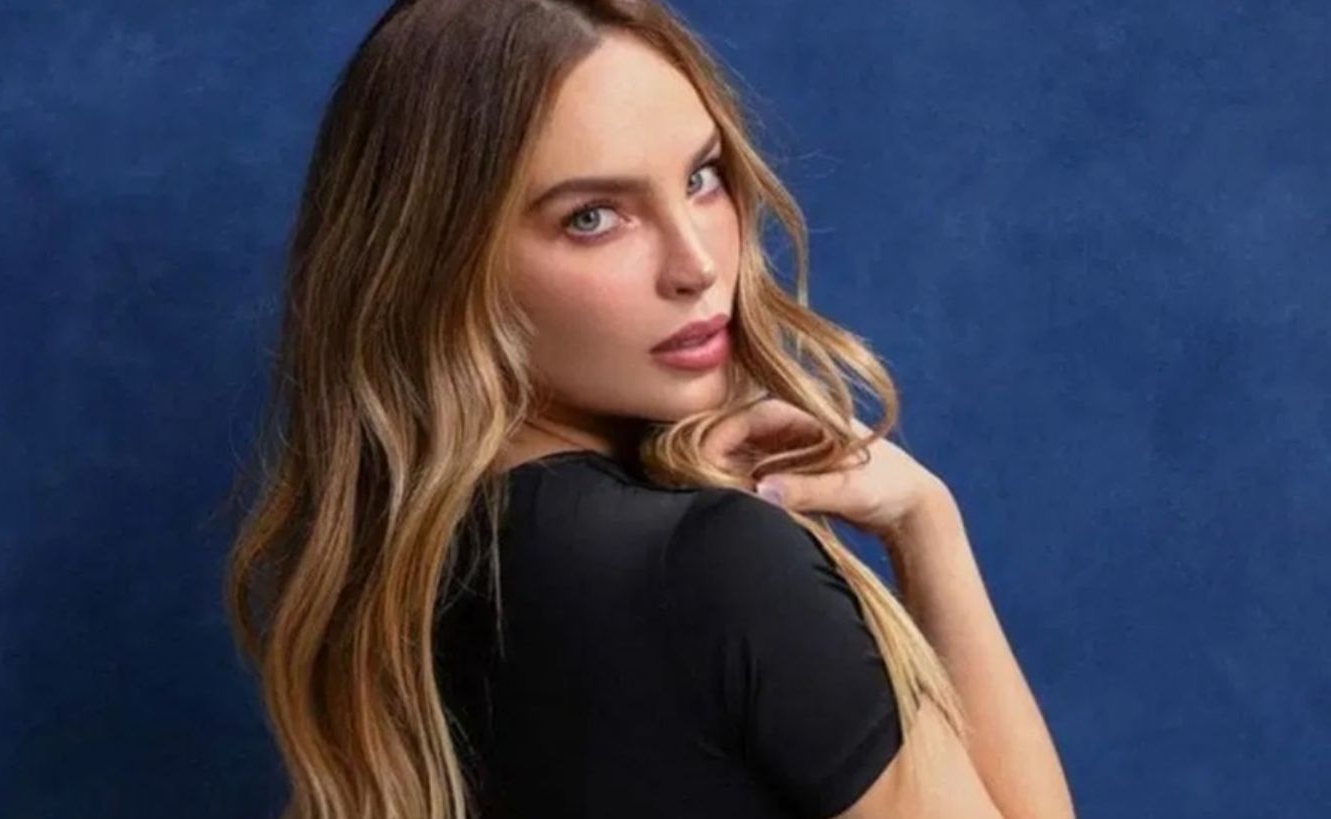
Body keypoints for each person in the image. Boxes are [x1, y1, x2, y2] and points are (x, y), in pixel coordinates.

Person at [224, 1, 1076, 817]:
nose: (696, 263)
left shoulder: (401, 583)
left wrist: (925, 519)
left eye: (702, 177)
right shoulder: (714, 566)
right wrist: (928, 530)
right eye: (593, 217)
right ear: (440, 262)